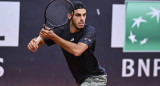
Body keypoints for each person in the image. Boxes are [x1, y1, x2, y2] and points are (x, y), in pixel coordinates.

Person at [27, 1, 107, 86]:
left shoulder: (89, 31)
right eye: (78, 15)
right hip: (80, 80)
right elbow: (40, 41)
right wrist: (34, 43)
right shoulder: (61, 31)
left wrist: (54, 37)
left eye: (84, 15)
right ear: (69, 16)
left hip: (95, 78)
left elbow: (77, 51)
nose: (82, 19)